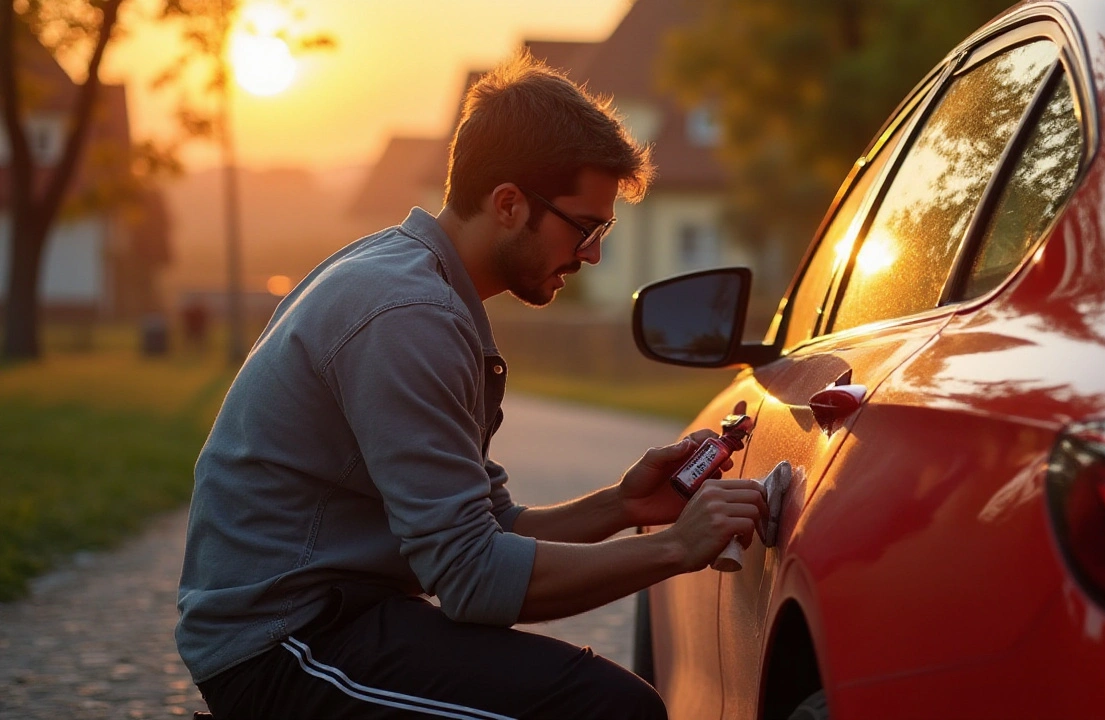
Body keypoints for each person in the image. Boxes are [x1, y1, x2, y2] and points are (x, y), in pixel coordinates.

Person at [176, 52, 767, 720]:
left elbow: (487, 527)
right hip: (283, 642)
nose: (594, 253)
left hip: (342, 616)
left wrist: (623, 508)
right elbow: (472, 579)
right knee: (608, 711)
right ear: (509, 203)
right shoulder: (408, 313)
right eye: (586, 226)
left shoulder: (420, 285)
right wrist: (675, 548)